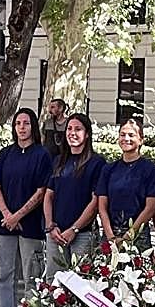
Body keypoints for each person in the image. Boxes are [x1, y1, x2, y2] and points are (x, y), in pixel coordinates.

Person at [0, 108, 51, 307]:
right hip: (5, 224)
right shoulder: (6, 154)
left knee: (31, 277)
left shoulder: (42, 155)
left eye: (26, 123)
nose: (22, 128)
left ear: (33, 126)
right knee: (4, 274)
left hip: (30, 225)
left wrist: (19, 215)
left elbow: (41, 191)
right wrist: (7, 213)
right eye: (18, 123)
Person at [43, 112, 105, 277]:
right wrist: (50, 225)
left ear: (87, 135)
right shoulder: (58, 161)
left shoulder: (97, 163)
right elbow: (48, 196)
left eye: (78, 129)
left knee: (81, 283)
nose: (72, 133)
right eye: (69, 128)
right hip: (55, 234)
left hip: (82, 235)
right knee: (53, 284)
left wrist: (74, 229)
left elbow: (95, 202)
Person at [96, 118, 155, 250]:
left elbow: (150, 208)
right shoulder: (108, 169)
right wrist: (110, 236)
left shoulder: (151, 170)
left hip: (138, 235)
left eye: (131, 135)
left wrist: (128, 236)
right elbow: (102, 206)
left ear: (141, 139)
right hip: (110, 233)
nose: (126, 138)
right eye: (122, 134)